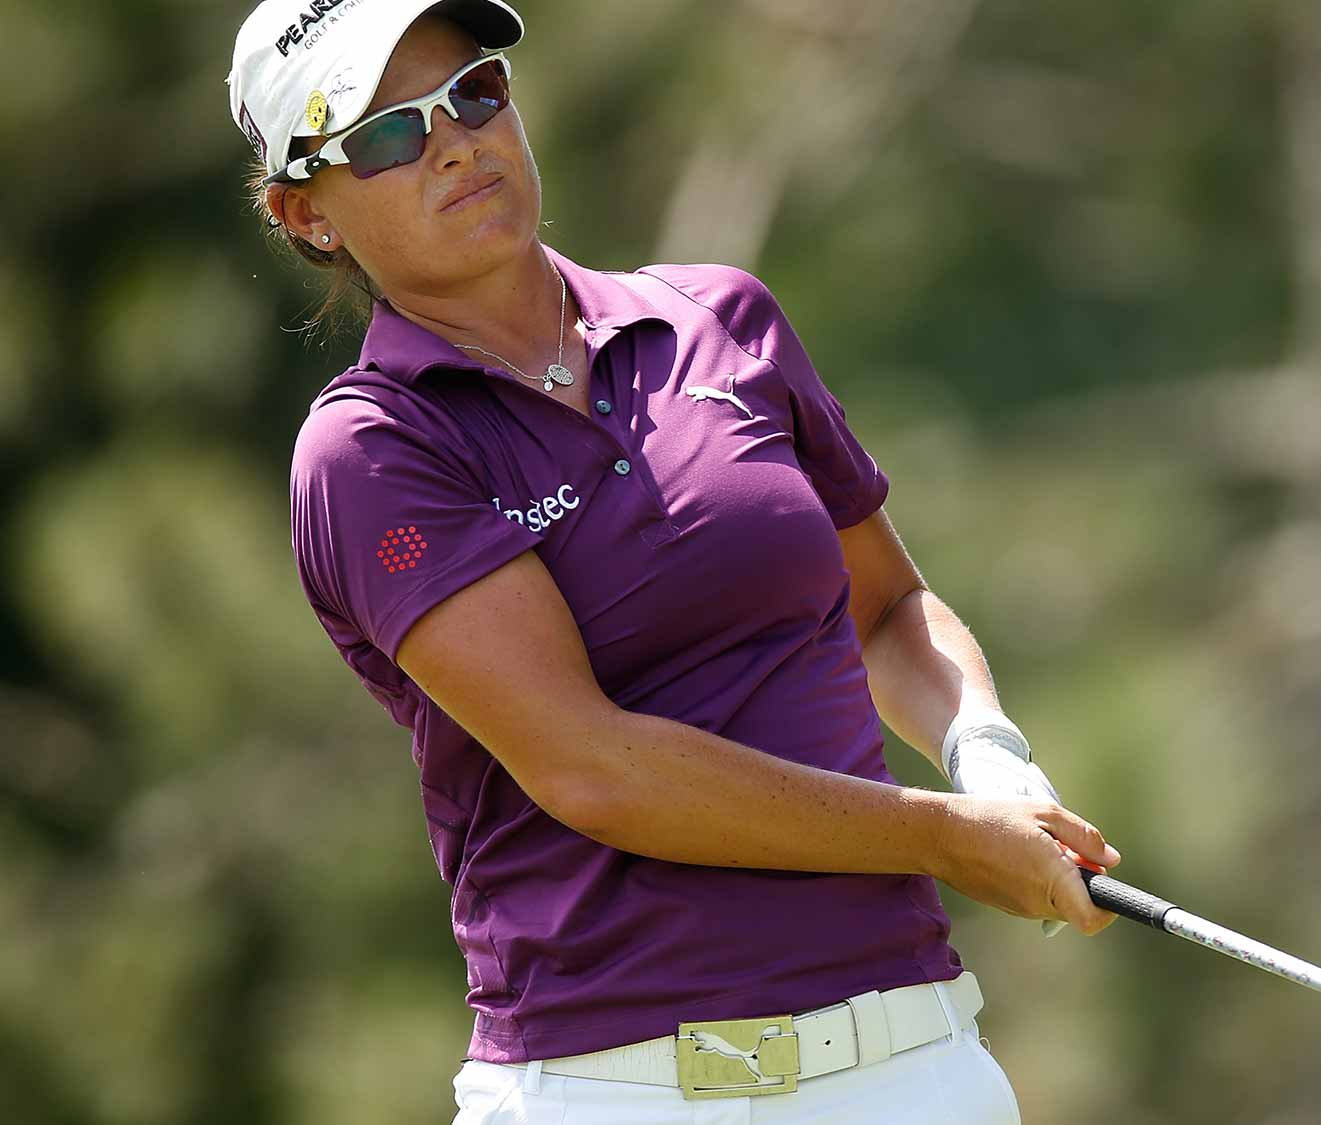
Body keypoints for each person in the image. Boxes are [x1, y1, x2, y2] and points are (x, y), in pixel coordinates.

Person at [227, 2, 1123, 1121]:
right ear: (306, 212)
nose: (455, 140)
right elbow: (594, 768)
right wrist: (943, 837)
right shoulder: (373, 449)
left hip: (912, 1064)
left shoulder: (719, 316)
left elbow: (887, 610)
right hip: (616, 1089)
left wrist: (988, 761)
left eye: (473, 92)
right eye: (386, 135)